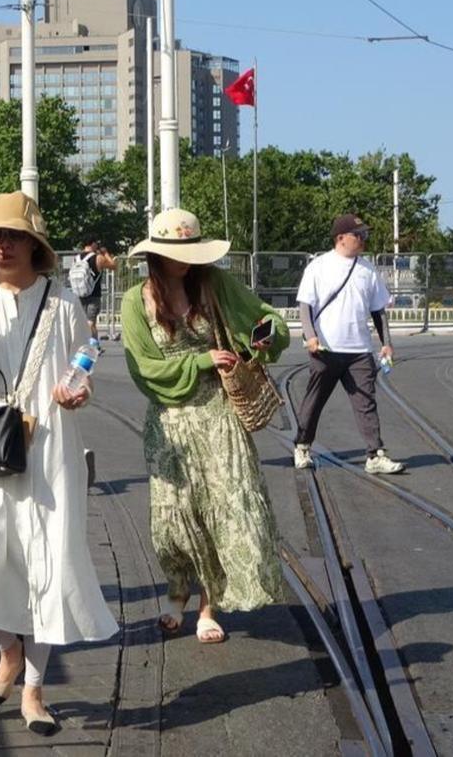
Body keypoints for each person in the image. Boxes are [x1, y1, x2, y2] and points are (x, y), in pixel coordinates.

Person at [0, 191, 118, 737]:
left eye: (15, 236)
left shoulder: (61, 302)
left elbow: (84, 360)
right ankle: (7, 652)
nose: (4, 244)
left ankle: (34, 690)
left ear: (34, 245)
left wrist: (77, 391)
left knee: (47, 563)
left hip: (51, 442)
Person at [121, 209, 289, 645]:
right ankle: (177, 588)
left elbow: (266, 318)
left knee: (224, 505)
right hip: (170, 420)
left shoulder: (214, 284)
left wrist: (262, 336)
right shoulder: (135, 300)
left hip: (218, 413)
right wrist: (200, 359)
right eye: (175, 253)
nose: (185, 261)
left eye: (191, 252)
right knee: (173, 518)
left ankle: (207, 605)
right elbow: (145, 367)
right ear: (154, 256)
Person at [293, 214, 405, 474]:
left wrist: (386, 343)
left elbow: (379, 310)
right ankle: (302, 446)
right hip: (326, 351)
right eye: (359, 235)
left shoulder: (368, 270)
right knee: (314, 400)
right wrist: (310, 336)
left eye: (365, 235)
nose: (364, 240)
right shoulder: (318, 267)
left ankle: (375, 455)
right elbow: (305, 306)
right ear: (341, 238)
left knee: (366, 402)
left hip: (359, 352)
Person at [72, 237, 117, 341]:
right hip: (94, 295)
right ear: (93, 244)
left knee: (87, 322)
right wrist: (105, 253)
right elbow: (114, 266)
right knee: (91, 323)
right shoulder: (98, 258)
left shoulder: (76, 258)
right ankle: (92, 347)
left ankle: (93, 345)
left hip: (79, 294)